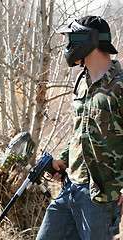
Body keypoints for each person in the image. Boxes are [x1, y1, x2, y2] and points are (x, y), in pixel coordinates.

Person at [36, 16, 123, 240]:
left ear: (88, 40)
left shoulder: (120, 86)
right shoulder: (82, 83)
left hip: (102, 196)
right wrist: (61, 161)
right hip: (70, 189)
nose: (68, 45)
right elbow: (80, 134)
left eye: (71, 37)